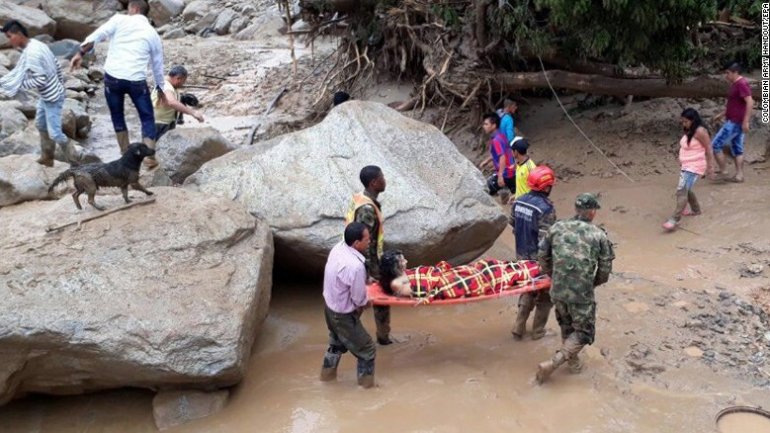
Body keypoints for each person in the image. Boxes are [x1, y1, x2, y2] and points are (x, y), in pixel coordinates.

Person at [70, 0, 166, 167]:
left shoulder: (118, 20)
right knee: (147, 117)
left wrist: (80, 53)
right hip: (136, 80)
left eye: (129, 9)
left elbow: (97, 36)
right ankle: (149, 156)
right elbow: (157, 64)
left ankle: (125, 154)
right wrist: (160, 87)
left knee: (117, 115)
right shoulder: (152, 33)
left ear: (134, 8)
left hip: (113, 79)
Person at [535, 193, 615, 384]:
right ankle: (554, 363)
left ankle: (574, 363)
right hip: (581, 292)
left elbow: (542, 256)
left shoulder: (557, 227)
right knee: (584, 332)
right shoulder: (598, 234)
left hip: (558, 289)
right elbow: (604, 271)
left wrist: (555, 276)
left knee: (566, 324)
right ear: (593, 212)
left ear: (576, 209)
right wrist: (590, 284)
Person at [0, 21, 93, 166]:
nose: (9, 40)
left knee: (55, 133)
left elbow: (40, 79)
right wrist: (59, 83)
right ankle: (47, 157)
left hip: (52, 97)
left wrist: (19, 85)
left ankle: (76, 161)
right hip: (48, 94)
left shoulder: (32, 53)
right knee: (40, 124)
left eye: (9, 36)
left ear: (18, 34)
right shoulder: (37, 44)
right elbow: (55, 64)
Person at [320, 222, 376, 388]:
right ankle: (366, 389)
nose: (370, 241)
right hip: (343, 315)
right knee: (367, 349)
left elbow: (344, 279)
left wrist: (365, 281)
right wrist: (368, 301)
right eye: (367, 239)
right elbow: (359, 299)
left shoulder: (338, 248)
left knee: (336, 344)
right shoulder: (356, 266)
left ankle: (326, 379)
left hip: (330, 308)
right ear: (356, 243)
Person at [379, 250, 542, 304]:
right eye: (402, 261)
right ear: (396, 266)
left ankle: (533, 266)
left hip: (445, 276)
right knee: (491, 274)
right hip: (447, 283)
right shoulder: (396, 283)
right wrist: (435, 280)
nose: (406, 261)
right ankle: (537, 268)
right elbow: (422, 290)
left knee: (487, 265)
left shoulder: (400, 276)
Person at [344, 165, 392, 345]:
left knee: (371, 301)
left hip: (364, 262)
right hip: (367, 264)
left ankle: (381, 337)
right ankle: (349, 337)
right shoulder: (367, 208)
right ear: (374, 183)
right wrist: (367, 273)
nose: (385, 180)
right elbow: (364, 242)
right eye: (382, 177)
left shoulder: (362, 200)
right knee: (370, 300)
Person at [510, 166, 556, 340]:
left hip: (521, 256)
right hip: (538, 259)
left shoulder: (519, 201)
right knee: (545, 296)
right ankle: (537, 331)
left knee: (527, 289)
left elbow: (512, 223)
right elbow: (546, 240)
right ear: (546, 187)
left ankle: (518, 326)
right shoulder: (546, 209)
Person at [662, 108, 716, 231]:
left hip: (695, 166)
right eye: (682, 121)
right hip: (687, 165)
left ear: (693, 120)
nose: (684, 124)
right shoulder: (689, 129)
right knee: (687, 189)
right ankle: (696, 210)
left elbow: (708, 148)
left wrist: (710, 167)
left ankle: (674, 219)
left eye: (686, 121)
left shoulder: (700, 131)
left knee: (681, 191)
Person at [711, 62, 754, 183]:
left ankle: (723, 171)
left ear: (735, 72)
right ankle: (739, 175)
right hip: (735, 120)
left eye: (728, 73)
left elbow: (750, 102)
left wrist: (746, 122)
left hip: (735, 122)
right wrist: (721, 114)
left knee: (715, 144)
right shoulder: (736, 84)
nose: (726, 75)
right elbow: (734, 104)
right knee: (737, 148)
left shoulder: (741, 83)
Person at [151, 65, 204, 141]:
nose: (182, 84)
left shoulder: (166, 84)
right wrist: (193, 113)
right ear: (178, 78)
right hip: (160, 125)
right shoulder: (166, 86)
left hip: (163, 122)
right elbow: (172, 102)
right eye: (183, 81)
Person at [480, 113, 516, 196]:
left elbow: (502, 157)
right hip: (511, 170)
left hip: (506, 173)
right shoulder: (501, 136)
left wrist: (500, 176)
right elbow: (500, 152)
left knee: (487, 189)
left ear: (493, 125)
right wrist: (487, 160)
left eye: (486, 124)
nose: (484, 126)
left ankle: (504, 191)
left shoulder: (496, 140)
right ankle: (506, 192)